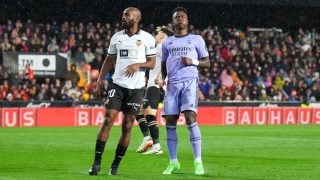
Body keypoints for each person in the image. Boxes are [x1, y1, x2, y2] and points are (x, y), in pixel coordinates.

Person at [88, 7, 156, 176]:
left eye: (127, 14)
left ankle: (115, 165)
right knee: (107, 120)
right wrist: (99, 80)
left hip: (137, 88)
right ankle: (96, 163)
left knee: (127, 126)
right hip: (117, 85)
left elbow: (152, 63)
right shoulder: (117, 37)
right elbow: (109, 59)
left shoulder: (147, 38)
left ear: (136, 18)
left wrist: (138, 65)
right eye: (123, 14)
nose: (123, 17)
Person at [161, 7, 210, 175]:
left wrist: (193, 61)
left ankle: (198, 162)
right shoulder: (167, 42)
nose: (180, 19)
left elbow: (207, 62)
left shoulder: (196, 39)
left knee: (190, 117)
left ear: (187, 21)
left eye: (183, 17)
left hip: (189, 82)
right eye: (177, 17)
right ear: (173, 22)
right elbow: (163, 64)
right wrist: (163, 78)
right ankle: (173, 162)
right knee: (170, 122)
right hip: (172, 85)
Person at [136, 26, 173, 154]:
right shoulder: (159, 48)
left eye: (158, 34)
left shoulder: (162, 47)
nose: (156, 36)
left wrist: (162, 76)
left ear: (163, 37)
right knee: (139, 111)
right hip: (152, 85)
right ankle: (147, 139)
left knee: (150, 115)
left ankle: (156, 146)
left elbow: (169, 63)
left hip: (155, 86)